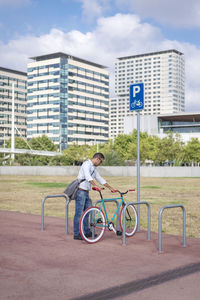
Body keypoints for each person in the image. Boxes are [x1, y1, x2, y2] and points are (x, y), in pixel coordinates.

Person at [73, 152, 116, 240]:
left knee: (87, 213)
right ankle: (77, 234)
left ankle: (87, 231)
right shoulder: (86, 164)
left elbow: (99, 178)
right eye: (101, 162)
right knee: (79, 213)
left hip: (86, 192)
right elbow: (88, 176)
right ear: (97, 159)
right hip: (81, 191)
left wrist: (110, 188)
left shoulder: (94, 168)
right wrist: (95, 185)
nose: (100, 164)